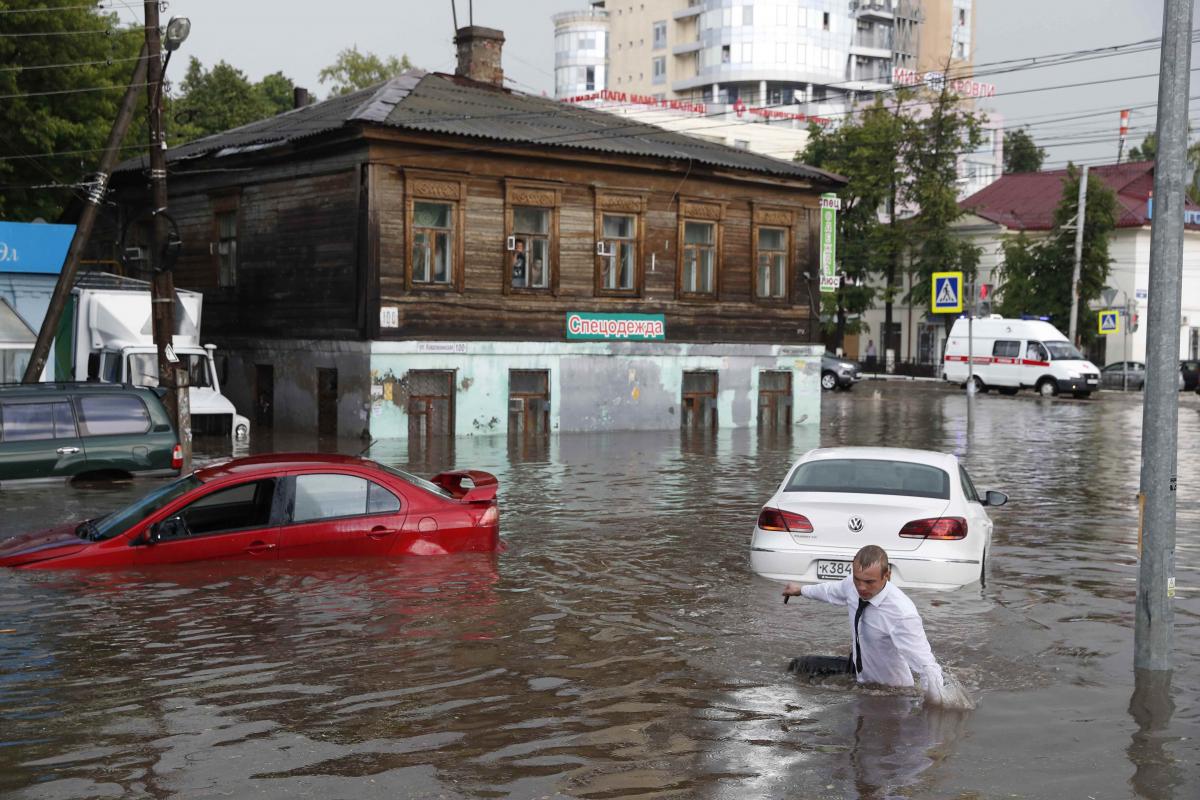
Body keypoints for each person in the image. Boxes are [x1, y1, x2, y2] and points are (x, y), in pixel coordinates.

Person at [781, 544, 949, 704]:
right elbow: (830, 591)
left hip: (891, 693)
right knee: (798, 666)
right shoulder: (851, 586)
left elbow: (927, 666)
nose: (861, 587)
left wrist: (937, 709)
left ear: (887, 576)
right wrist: (800, 590)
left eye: (869, 582)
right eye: (857, 579)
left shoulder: (902, 614)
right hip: (859, 677)